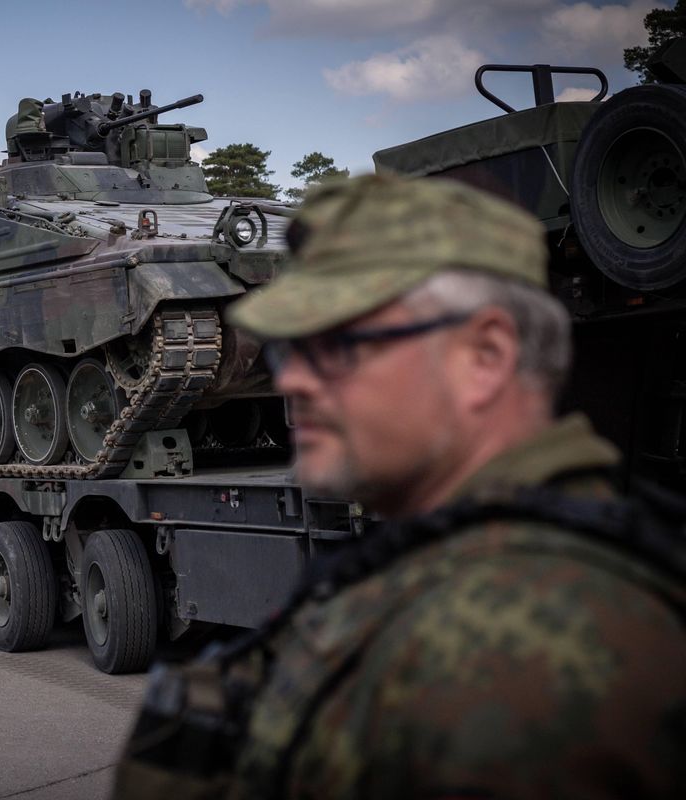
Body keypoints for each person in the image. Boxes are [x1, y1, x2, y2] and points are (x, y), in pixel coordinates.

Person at [113, 174, 686, 798]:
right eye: (287, 351)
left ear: (485, 357)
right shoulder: (439, 574)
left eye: (337, 346)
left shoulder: (523, 654)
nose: (295, 382)